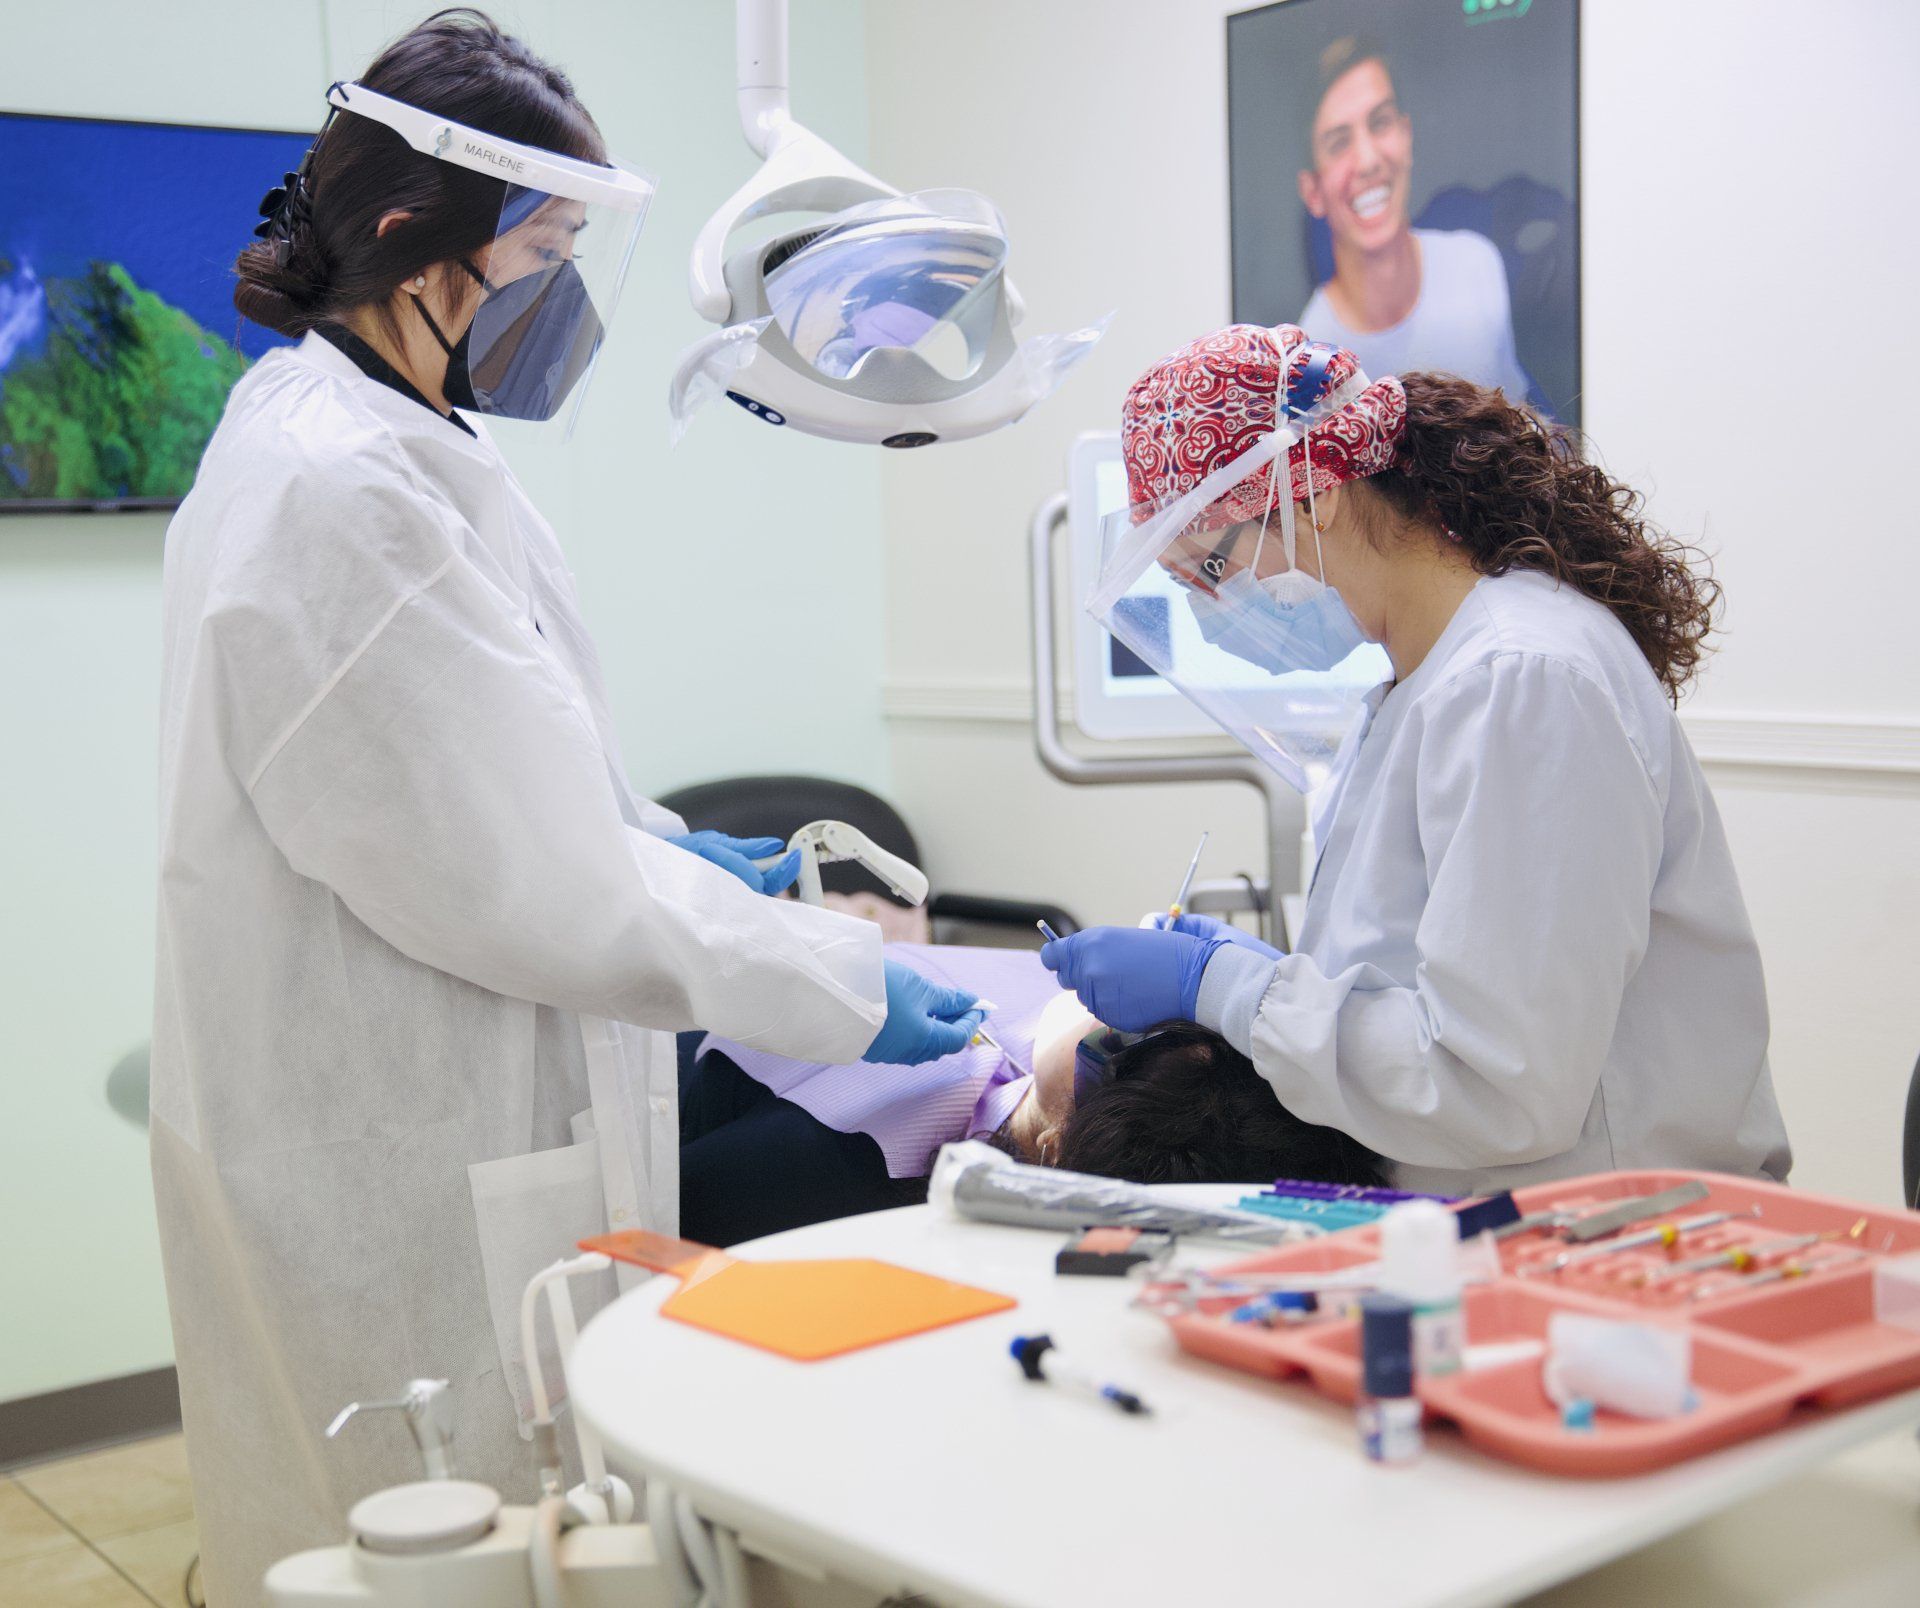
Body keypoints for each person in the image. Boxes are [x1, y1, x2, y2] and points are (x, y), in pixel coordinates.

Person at [151, 14, 981, 1602]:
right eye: (545, 250)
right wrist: (850, 988)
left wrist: (670, 843)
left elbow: (500, 786)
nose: (565, 298)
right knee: (434, 1524)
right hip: (400, 1133)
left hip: (448, 1068)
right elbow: (536, 881)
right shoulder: (342, 493)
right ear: (417, 244)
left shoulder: (395, 447)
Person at [1045, 322, 1790, 1201]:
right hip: (1498, 1223)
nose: (1216, 611)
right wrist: (1269, 981)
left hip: (1610, 1239)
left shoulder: (1521, 682)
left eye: (1211, 567)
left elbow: (1497, 1085)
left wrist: (1230, 990)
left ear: (1311, 498)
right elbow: (1427, 981)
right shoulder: (1418, 684)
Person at [682, 943, 1382, 1244]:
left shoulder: (834, 1164)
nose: (1119, 1018)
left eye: (1119, 1047)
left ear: (1055, 1150)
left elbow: (667, 1206)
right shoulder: (1050, 1051)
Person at [1294, 37, 1532, 402]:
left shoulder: (1476, 262)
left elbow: (1519, 419)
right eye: (1340, 142)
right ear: (1313, 192)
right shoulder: (1309, 364)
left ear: (1406, 136)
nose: (1369, 160)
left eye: (1380, 122)